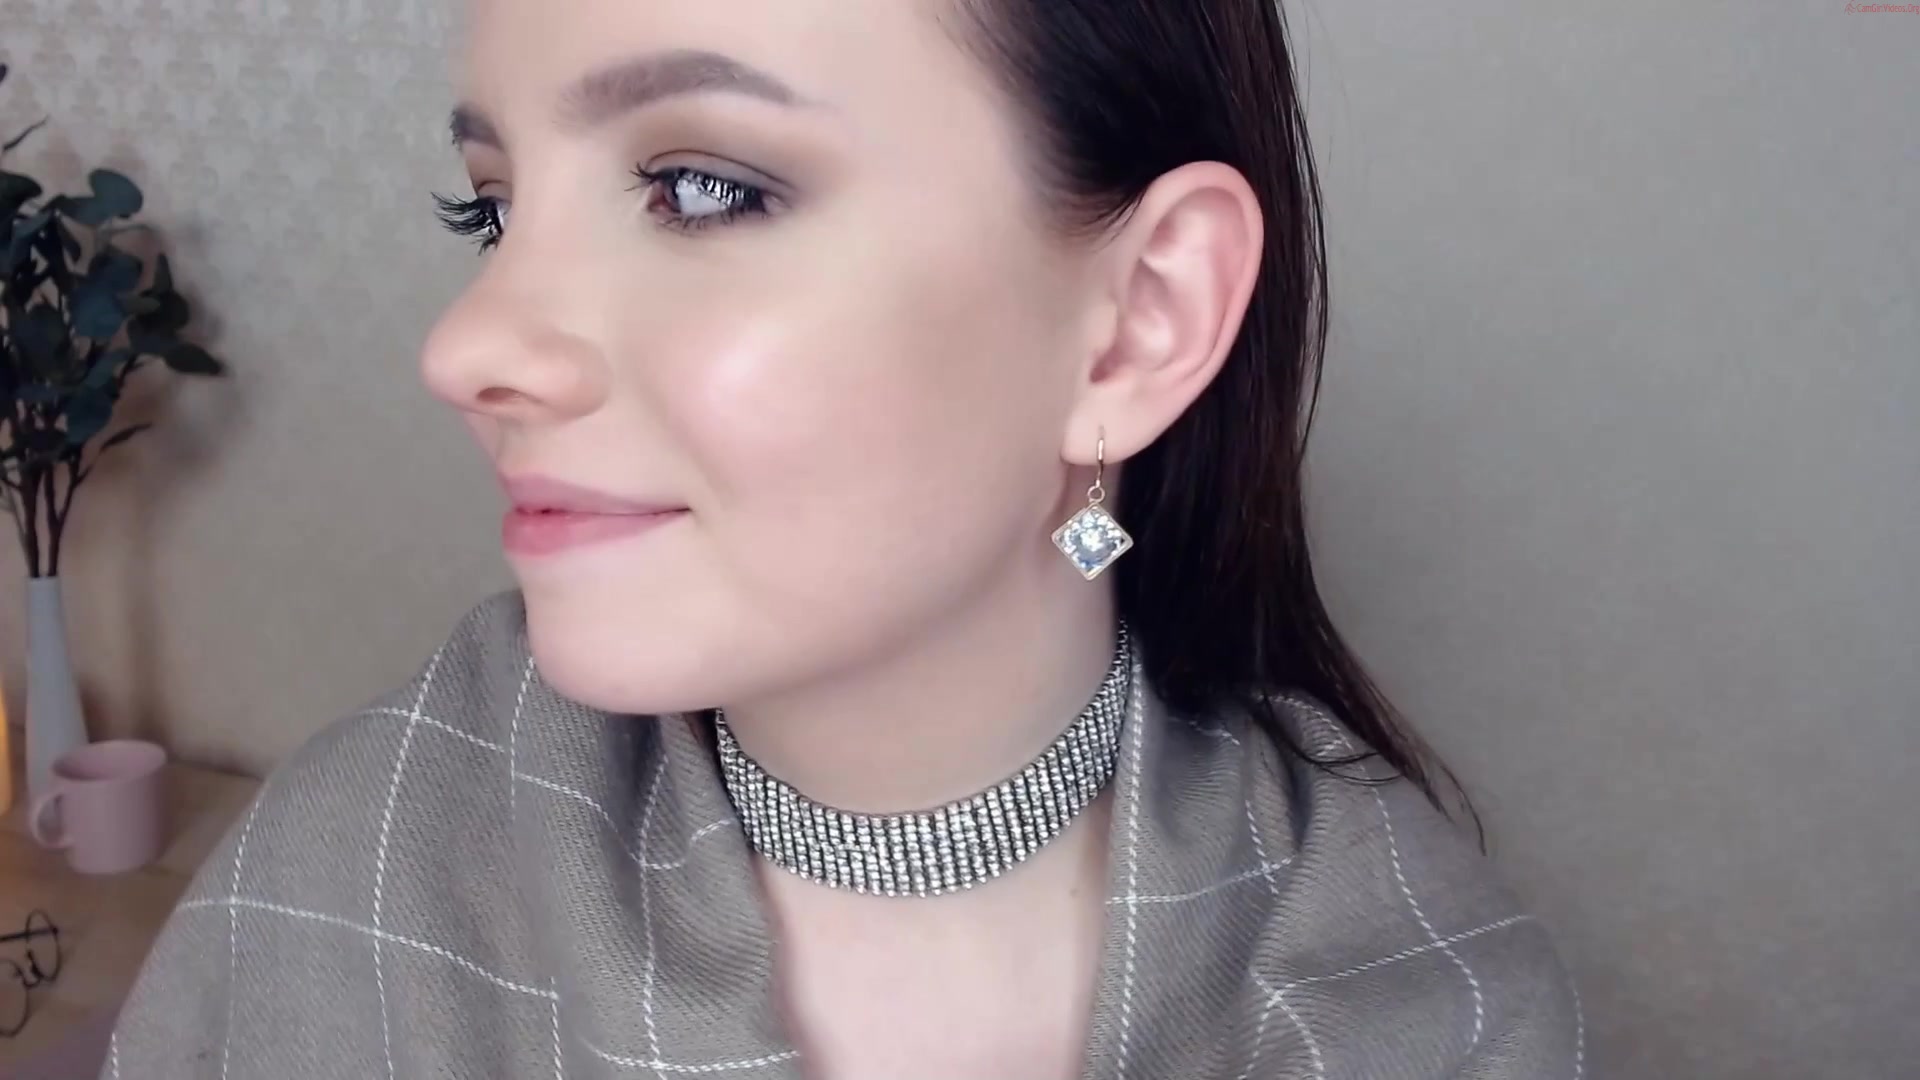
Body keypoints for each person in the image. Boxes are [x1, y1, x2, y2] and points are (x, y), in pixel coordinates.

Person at [105, 0, 1585, 1076]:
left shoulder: (1415, 1011)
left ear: (1138, 324)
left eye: (702, 190)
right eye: (491, 211)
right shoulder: (358, 855)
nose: (469, 348)